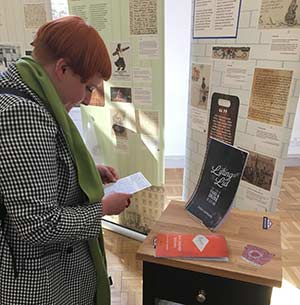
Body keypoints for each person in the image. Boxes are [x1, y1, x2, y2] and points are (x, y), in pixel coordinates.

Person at [0, 16, 132, 305]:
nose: (87, 99)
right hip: (40, 283)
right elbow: (38, 224)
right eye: (88, 87)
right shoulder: (22, 114)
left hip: (53, 271)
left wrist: (84, 172)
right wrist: (101, 209)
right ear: (62, 69)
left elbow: (29, 175)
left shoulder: (30, 93)